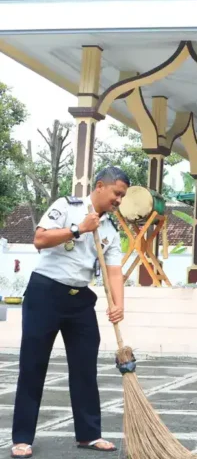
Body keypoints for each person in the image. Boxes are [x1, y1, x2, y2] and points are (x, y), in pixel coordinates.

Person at [10, 167, 129, 458]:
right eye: (117, 193)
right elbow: (40, 240)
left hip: (80, 300)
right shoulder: (66, 207)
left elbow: (114, 271)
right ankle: (22, 438)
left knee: (85, 367)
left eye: (123, 196)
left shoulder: (111, 229)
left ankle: (89, 434)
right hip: (45, 294)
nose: (119, 201)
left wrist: (118, 304)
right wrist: (79, 229)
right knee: (33, 366)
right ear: (100, 186)